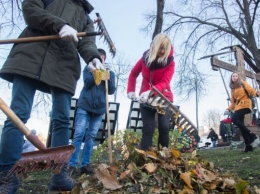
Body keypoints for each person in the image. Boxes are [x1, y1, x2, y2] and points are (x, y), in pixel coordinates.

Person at [0, 0, 104, 193]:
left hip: (64, 64)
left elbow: (87, 42)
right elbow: (31, 9)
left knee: (62, 119)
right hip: (31, 54)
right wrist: (60, 25)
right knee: (18, 114)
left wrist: (93, 57)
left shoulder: (85, 17)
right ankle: (6, 175)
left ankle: (59, 175)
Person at [68, 49, 116, 175]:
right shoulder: (88, 68)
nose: (101, 59)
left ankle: (85, 165)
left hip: (99, 109)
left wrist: (109, 78)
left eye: (103, 57)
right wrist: (98, 73)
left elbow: (111, 90)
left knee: (91, 136)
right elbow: (88, 83)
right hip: (85, 105)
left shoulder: (110, 73)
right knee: (79, 134)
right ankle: (72, 165)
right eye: (99, 57)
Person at [127, 33, 175, 151]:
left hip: (163, 98)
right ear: (154, 46)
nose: (163, 51)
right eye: (160, 48)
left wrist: (150, 91)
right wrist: (131, 90)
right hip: (145, 99)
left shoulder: (170, 63)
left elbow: (165, 82)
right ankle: (145, 158)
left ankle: (163, 158)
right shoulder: (145, 59)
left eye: (165, 48)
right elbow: (133, 74)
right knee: (148, 128)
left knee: (164, 127)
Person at [226, 72, 260, 152]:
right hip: (238, 107)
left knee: (234, 119)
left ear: (238, 77)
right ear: (231, 78)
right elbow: (233, 103)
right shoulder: (233, 90)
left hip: (246, 105)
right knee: (241, 127)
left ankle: (251, 134)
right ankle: (248, 146)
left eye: (236, 76)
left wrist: (256, 94)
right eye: (233, 76)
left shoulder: (243, 83)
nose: (234, 77)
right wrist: (228, 109)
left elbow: (251, 91)